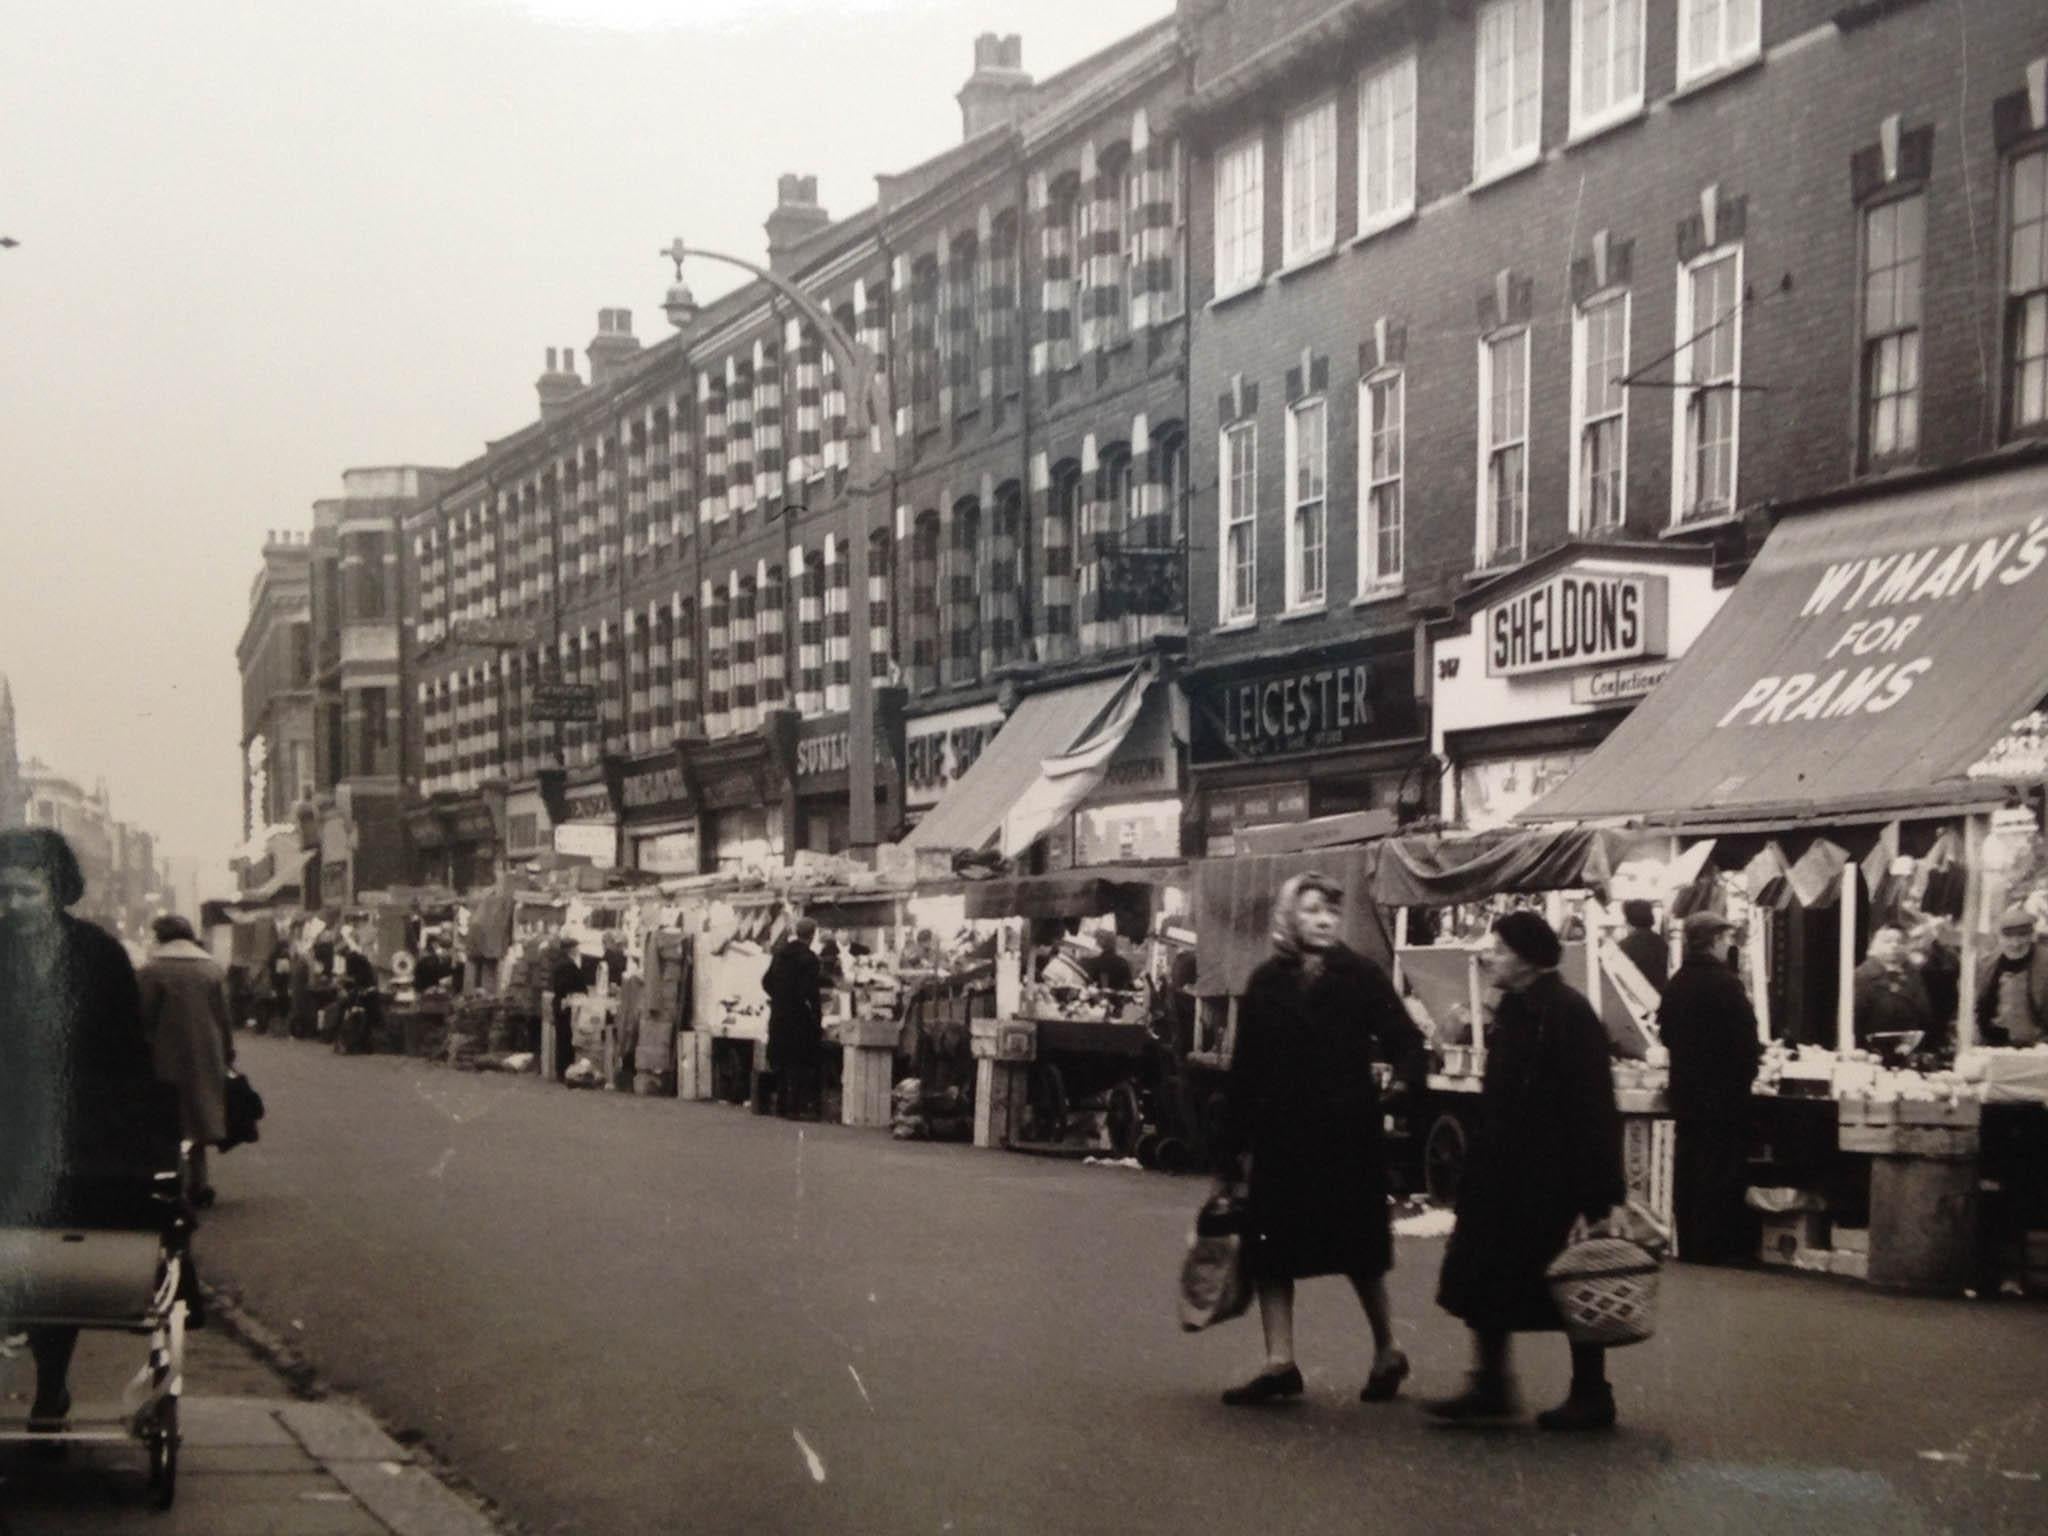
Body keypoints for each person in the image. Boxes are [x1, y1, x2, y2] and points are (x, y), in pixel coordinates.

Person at [1213, 874, 1425, 1408]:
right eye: (1311, 911)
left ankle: (1387, 1349)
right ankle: (1279, 1362)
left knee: (1360, 1251)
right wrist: (1228, 1153)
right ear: (1289, 918)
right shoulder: (1264, 983)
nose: (1326, 920)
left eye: (1331, 911)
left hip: (1345, 1132)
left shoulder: (1360, 975)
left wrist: (1401, 1082)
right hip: (1281, 1135)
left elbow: (1406, 1038)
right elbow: (1246, 1072)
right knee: (1271, 1251)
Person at [1431, 910, 1627, 1432]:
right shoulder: (1516, 1009)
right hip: (1502, 1173)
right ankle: (1489, 1383)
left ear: (1523, 957)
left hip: (1548, 1177)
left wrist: (1599, 1198)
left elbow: (1593, 1105)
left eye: (1496, 947)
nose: (1487, 955)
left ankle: (1591, 1393)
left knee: (1574, 1281)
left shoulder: (1567, 1013)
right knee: (1487, 1274)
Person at [0, 828, 168, 1434]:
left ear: (56, 889)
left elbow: (128, 1046)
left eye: (26, 891)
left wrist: (134, 1121)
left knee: (62, 1269)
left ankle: (51, 1387)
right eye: (4, 893)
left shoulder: (98, 953)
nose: (13, 905)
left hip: (83, 1131)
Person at [1657, 912, 1761, 1265]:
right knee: (1721, 1167)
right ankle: (1718, 1245)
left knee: (1689, 1165)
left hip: (1686, 1091)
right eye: (1726, 939)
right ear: (1716, 940)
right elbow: (1746, 1039)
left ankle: (1690, 1242)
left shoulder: (1677, 983)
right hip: (1723, 1093)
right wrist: (1747, 1073)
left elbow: (1666, 1035)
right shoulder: (1727, 984)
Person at [138, 915, 236, 1208]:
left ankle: (173, 1182)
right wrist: (228, 1051)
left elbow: (143, 1017)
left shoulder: (151, 971)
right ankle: (200, 1182)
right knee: (199, 1115)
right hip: (207, 1052)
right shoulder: (210, 969)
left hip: (164, 1054)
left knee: (169, 1120)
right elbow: (224, 1018)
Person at [763, 918, 824, 1118]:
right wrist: (816, 1016)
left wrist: (779, 997)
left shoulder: (780, 954)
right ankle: (794, 1108)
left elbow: (766, 981)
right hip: (799, 1018)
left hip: (779, 1014)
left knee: (780, 1061)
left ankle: (780, 1105)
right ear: (812, 935)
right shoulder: (810, 959)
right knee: (797, 1064)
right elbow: (810, 992)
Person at [1975, 905, 2048, 1047]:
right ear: (1999, 937)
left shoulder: (2045, 962)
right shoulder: (1987, 965)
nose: (2016, 944)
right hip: (1996, 1043)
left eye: (2022, 935)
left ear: (2032, 935)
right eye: (2008, 937)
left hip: (2040, 1046)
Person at [1853, 924, 1934, 1052]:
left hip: (1909, 1050)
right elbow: (1854, 1019)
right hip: (1869, 1051)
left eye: (1901, 942)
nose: (1894, 946)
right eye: (1887, 941)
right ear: (1875, 945)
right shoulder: (1862, 977)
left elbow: (1924, 1014)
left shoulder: (1914, 976)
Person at [549, 936, 590, 1082]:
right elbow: (569, 985)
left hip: (560, 1003)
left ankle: (562, 1070)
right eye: (576, 947)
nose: (578, 950)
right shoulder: (568, 965)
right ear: (571, 949)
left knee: (562, 1038)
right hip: (567, 1004)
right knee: (566, 1039)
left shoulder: (559, 963)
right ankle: (565, 1070)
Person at [1616, 900, 1668, 994]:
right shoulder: (1662, 943)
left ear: (1628, 920)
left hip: (1636, 999)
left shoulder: (1623, 946)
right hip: (1660, 996)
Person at [1081, 928, 1136, 993]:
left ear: (1102, 945)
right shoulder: (1122, 962)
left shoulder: (1094, 962)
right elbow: (1130, 986)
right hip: (1118, 999)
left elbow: (1087, 983)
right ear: (1114, 945)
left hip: (1099, 998)